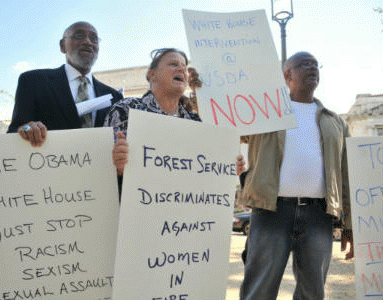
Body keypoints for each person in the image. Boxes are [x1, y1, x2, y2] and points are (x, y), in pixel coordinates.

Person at [238, 51, 353, 300]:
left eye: (315, 65)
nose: (312, 68)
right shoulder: (264, 112)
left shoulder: (335, 122)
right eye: (304, 64)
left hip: (318, 216)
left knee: (313, 292)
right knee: (259, 289)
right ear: (287, 74)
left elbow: (346, 177)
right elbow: (224, 119)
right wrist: (199, 92)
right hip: (270, 211)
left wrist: (349, 225)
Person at [104, 47, 245, 177]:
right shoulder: (125, 110)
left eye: (184, 67)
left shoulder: (195, 122)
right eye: (173, 64)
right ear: (152, 75)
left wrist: (229, 169)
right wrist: (117, 164)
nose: (182, 70)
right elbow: (103, 167)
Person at [7, 21, 123, 146]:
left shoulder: (115, 97)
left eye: (94, 39)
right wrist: (27, 130)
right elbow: (15, 132)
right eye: (79, 36)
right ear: (63, 46)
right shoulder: (33, 81)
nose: (88, 42)